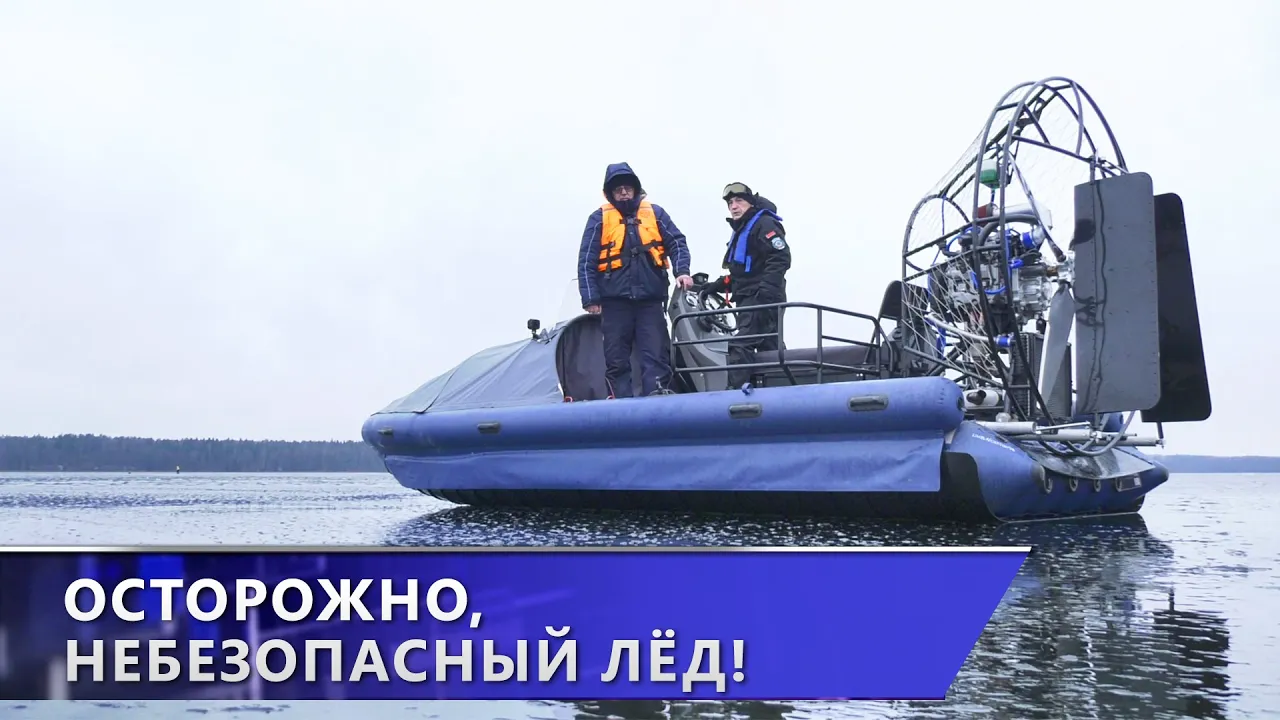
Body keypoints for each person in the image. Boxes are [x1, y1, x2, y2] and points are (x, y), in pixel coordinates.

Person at [577, 162, 693, 398]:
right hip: (614, 303)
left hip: (650, 301)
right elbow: (586, 259)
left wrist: (682, 271)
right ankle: (621, 407)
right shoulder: (598, 219)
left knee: (656, 356)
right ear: (610, 193)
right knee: (616, 360)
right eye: (618, 189)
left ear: (635, 189)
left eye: (627, 188)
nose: (623, 193)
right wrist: (590, 297)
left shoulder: (656, 213)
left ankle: (657, 401)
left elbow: (677, 242)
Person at [708, 182, 792, 389]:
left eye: (739, 201)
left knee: (740, 344)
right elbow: (744, 273)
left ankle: (735, 395)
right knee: (769, 347)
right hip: (749, 297)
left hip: (761, 298)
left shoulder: (764, 224)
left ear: (751, 203)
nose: (734, 206)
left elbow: (780, 256)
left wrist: (766, 290)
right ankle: (778, 390)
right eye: (730, 203)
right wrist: (716, 286)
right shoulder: (743, 229)